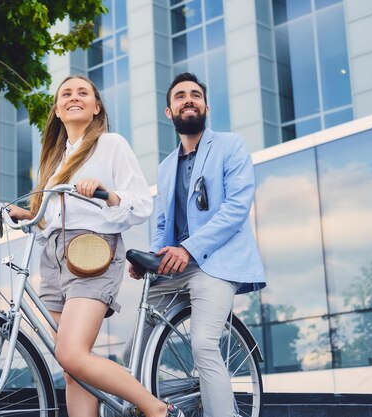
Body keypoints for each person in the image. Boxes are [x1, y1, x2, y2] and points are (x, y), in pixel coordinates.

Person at [6, 75, 183, 417]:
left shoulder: (111, 144)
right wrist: (30, 214)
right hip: (54, 257)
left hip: (93, 252)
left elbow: (141, 203)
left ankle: (157, 409)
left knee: (72, 353)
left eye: (83, 92)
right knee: (73, 370)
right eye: (66, 94)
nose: (74, 97)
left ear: (96, 106)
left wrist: (107, 192)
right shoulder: (55, 161)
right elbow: (54, 219)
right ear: (57, 110)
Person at [126, 72, 266, 417]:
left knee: (204, 344)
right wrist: (152, 257)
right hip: (173, 268)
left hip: (216, 264)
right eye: (180, 96)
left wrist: (188, 248)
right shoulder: (164, 167)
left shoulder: (230, 145)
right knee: (135, 350)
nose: (188, 100)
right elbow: (162, 223)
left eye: (195, 95)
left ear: (205, 106)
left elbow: (236, 209)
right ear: (169, 111)